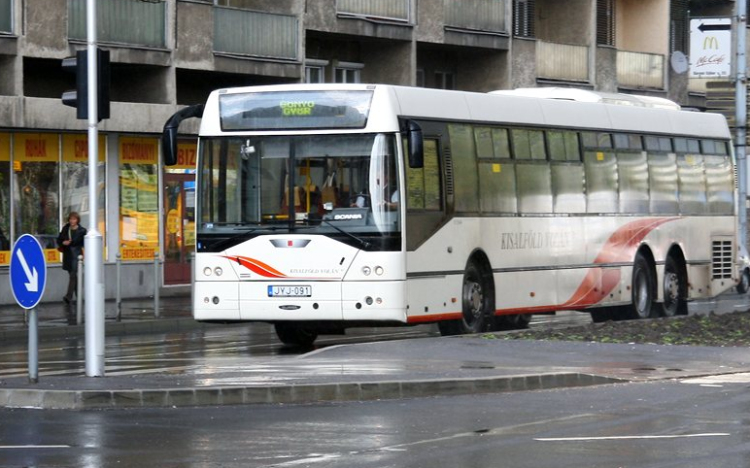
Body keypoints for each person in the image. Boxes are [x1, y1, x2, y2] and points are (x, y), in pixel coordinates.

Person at [57, 212, 86, 303]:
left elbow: (80, 242)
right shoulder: (66, 228)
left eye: (74, 219)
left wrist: (71, 242)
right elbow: (59, 239)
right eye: (71, 219)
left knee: (73, 274)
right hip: (68, 254)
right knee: (73, 275)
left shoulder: (82, 230)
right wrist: (63, 242)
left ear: (77, 220)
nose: (72, 221)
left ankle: (68, 296)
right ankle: (79, 297)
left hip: (77, 255)